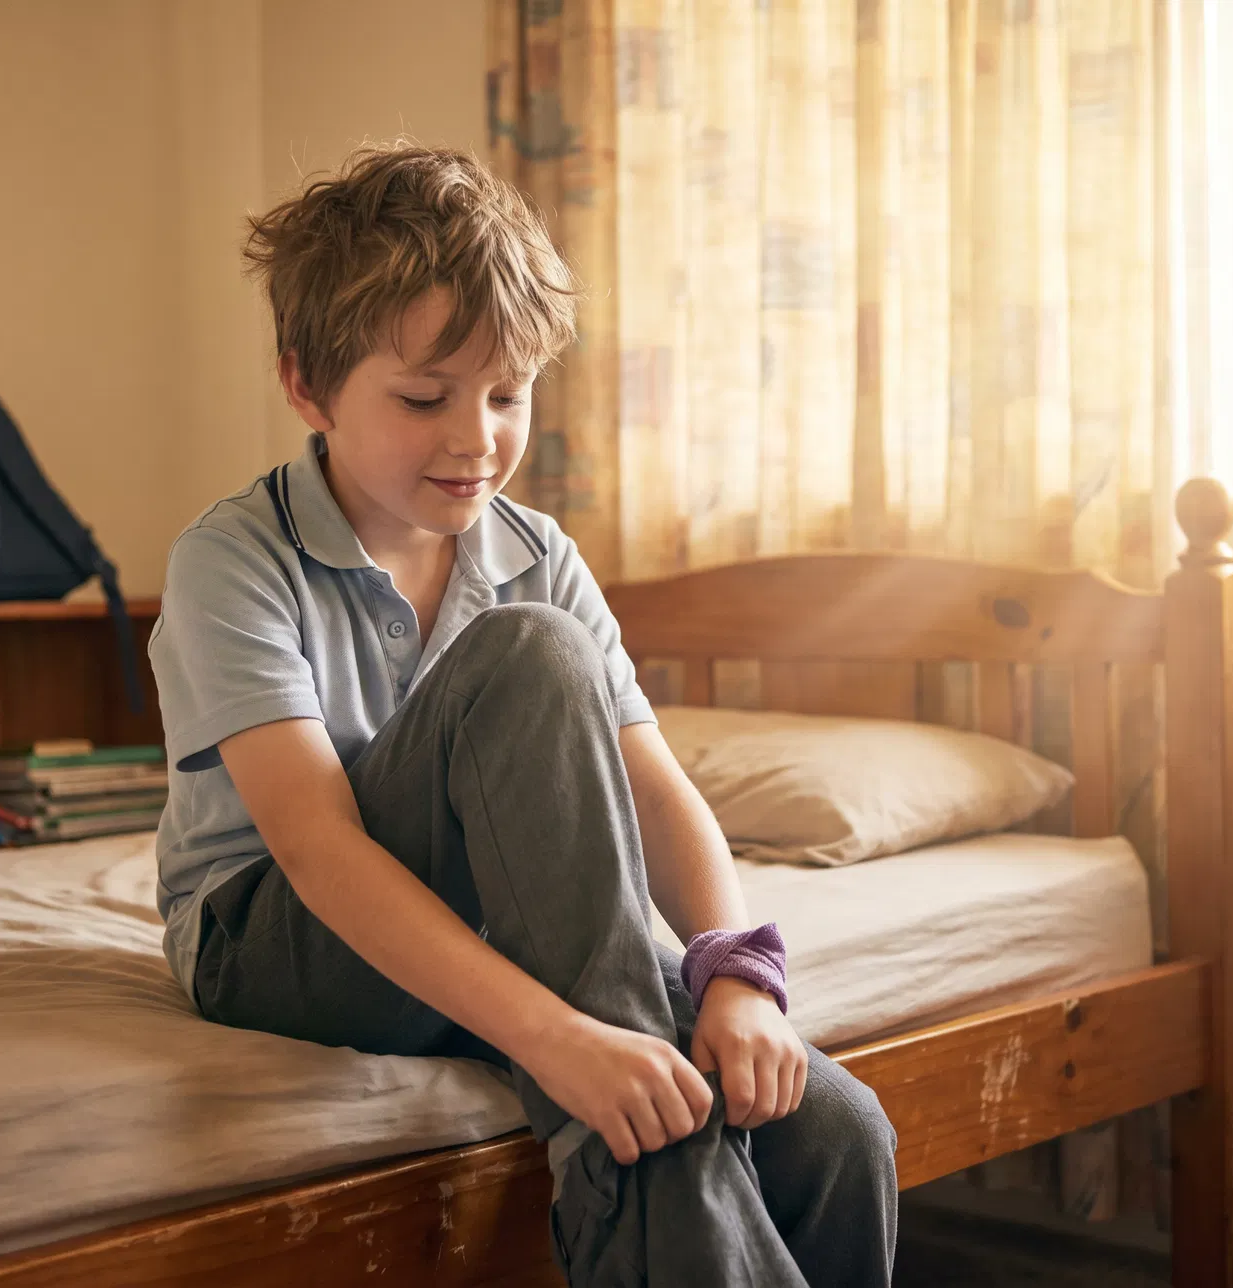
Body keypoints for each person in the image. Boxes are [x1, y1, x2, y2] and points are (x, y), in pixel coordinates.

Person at [148, 142, 896, 1285]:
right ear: (307, 385)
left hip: (500, 918)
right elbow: (319, 850)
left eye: (508, 395)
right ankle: (615, 1163)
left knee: (841, 1132)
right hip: (277, 931)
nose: (475, 438)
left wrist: (737, 973)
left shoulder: (534, 550)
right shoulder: (234, 559)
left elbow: (655, 789)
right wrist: (564, 1045)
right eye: (422, 397)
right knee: (531, 657)